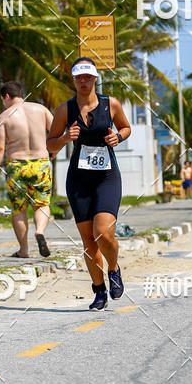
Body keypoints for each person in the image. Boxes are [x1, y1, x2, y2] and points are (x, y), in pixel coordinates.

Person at [47, 57, 131, 311]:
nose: (83, 81)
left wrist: (118, 137)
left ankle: (113, 269)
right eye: (78, 77)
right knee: (88, 241)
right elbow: (50, 144)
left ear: (95, 78)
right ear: (73, 80)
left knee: (104, 232)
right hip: (79, 179)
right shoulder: (66, 109)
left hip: (107, 176)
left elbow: (126, 128)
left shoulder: (111, 104)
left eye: (88, 77)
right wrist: (64, 138)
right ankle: (99, 292)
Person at [0, 81, 53, 259]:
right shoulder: (41, 109)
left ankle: (24, 250)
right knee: (42, 204)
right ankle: (39, 231)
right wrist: (53, 151)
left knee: (19, 209)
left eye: (3, 100)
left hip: (17, 166)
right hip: (40, 163)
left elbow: (0, 149)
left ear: (6, 96)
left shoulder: (3, 117)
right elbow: (56, 132)